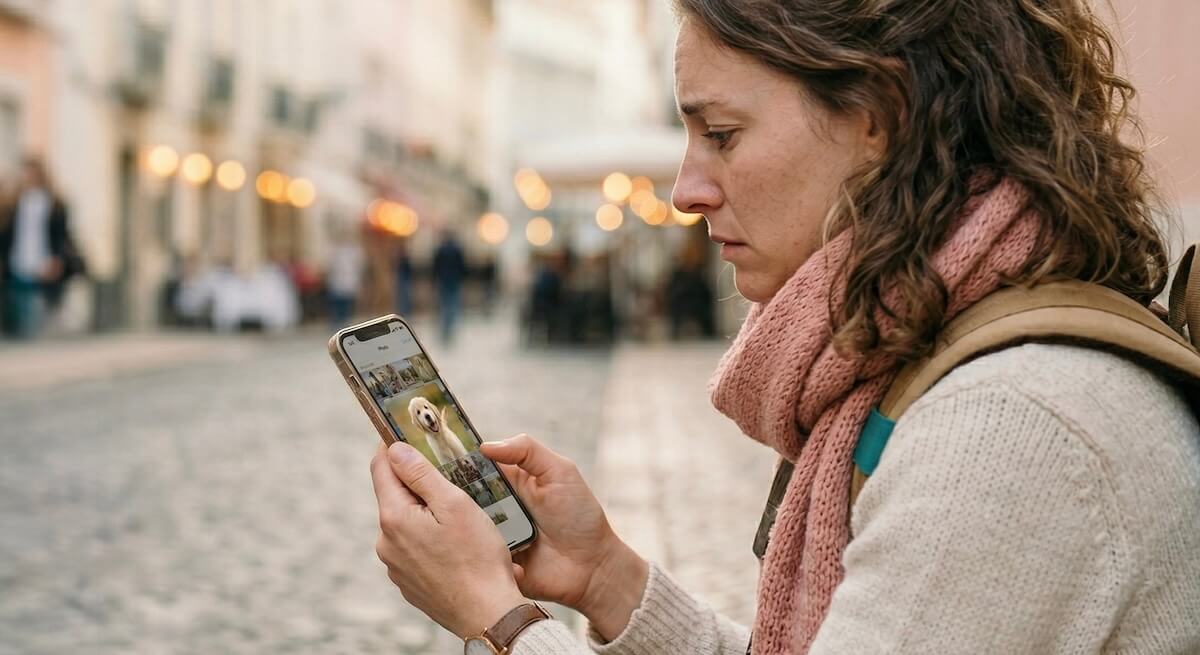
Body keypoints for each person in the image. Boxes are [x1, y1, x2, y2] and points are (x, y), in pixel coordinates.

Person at [368, 2, 1200, 654]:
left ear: (881, 112)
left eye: (721, 134)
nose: (686, 190)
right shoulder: (946, 354)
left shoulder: (1011, 422)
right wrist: (605, 579)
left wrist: (501, 617)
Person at [0, 157, 82, 339]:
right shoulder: (13, 203)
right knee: (18, 308)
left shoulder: (54, 203)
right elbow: (6, 235)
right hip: (17, 262)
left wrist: (57, 259)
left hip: (44, 261)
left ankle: (38, 343)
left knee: (42, 310)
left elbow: (62, 236)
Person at [431, 228, 468, 344]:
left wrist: (434, 279)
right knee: (452, 307)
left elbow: (435, 266)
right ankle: (449, 331)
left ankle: (445, 331)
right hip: (454, 281)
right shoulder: (457, 249)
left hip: (443, 281)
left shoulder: (441, 249)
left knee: (444, 306)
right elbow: (462, 266)